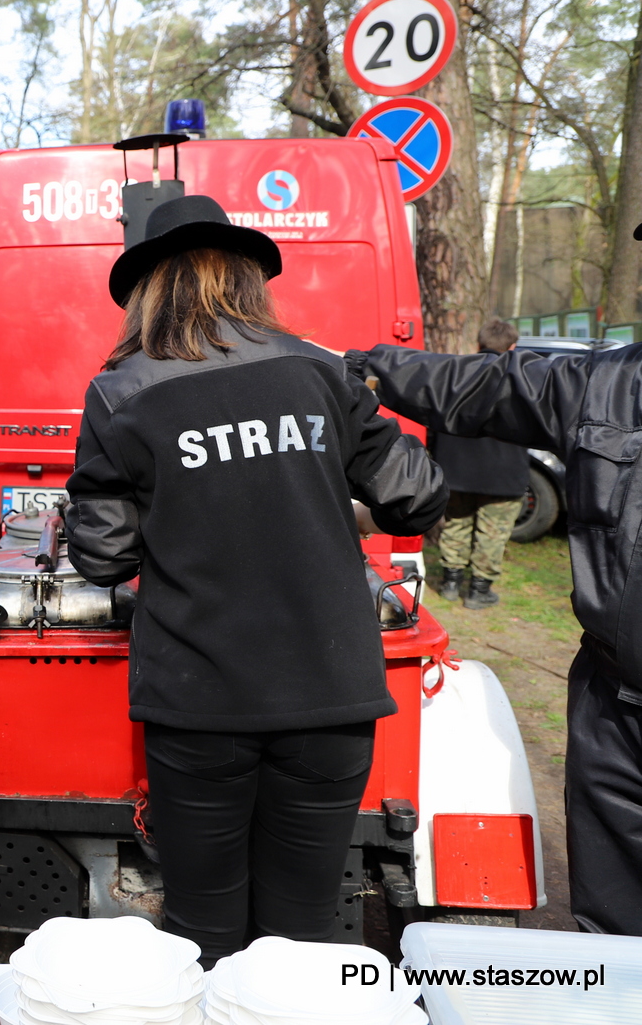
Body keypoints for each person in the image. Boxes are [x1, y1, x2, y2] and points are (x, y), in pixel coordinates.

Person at [63, 195, 446, 967]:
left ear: (148, 290)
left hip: (200, 698)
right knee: (301, 931)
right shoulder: (319, 367)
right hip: (330, 689)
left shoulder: (120, 391)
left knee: (203, 929)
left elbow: (102, 555)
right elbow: (415, 491)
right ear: (247, 279)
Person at [342, 221, 642, 937]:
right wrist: (359, 364)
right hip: (618, 709)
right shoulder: (610, 384)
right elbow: (478, 386)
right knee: (616, 928)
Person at [427, 318, 528, 609]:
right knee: (492, 533)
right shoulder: (523, 379)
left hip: (456, 469)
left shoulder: (453, 374)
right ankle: (478, 590)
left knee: (456, 526)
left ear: (478, 345)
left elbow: (433, 417)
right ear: (512, 347)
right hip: (504, 473)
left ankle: (450, 583)